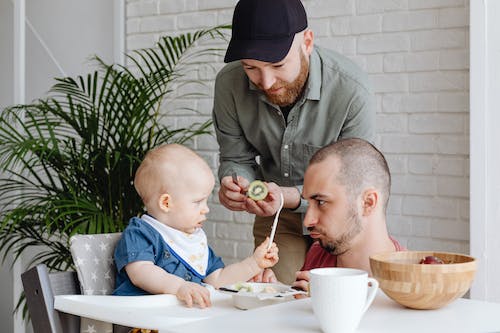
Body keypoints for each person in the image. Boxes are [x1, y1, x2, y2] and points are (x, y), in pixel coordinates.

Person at [213, 0, 375, 284]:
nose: (265, 81)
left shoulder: (351, 91)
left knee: (338, 303)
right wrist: (237, 183)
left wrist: (288, 196)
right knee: (276, 301)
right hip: (276, 216)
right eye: (251, 67)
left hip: (340, 215)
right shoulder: (229, 85)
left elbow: (354, 182)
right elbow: (236, 158)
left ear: (307, 42)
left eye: (277, 64)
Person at [113, 144, 279, 308]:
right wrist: (179, 287)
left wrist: (254, 263)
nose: (206, 209)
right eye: (198, 202)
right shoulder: (140, 233)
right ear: (166, 203)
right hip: (141, 320)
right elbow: (141, 272)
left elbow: (218, 279)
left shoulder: (193, 241)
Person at [291, 138, 405, 292]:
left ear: (368, 203)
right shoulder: (318, 254)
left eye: (321, 202)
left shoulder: (408, 280)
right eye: (308, 203)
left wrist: (328, 303)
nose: (307, 221)